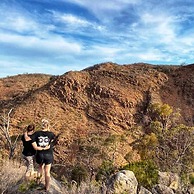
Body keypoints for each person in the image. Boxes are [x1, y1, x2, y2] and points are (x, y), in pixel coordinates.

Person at [31, 119, 55, 192]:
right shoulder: (51, 134)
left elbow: (34, 145)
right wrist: (48, 146)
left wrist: (40, 148)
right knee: (47, 171)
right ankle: (47, 188)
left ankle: (37, 183)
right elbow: (54, 142)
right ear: (48, 125)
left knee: (40, 168)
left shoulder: (36, 133)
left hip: (40, 154)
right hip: (49, 154)